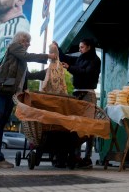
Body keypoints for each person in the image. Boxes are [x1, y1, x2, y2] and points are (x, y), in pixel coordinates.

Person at [0, 31, 56, 170]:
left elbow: (28, 75)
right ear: (20, 40)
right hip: (3, 89)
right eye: (27, 41)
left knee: (1, 122)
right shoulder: (14, 46)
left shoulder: (20, 59)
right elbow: (27, 56)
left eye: (29, 41)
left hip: (11, 93)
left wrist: (48, 71)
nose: (28, 44)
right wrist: (48, 56)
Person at [53, 38, 101, 169]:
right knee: (75, 125)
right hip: (76, 94)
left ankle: (87, 157)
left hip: (88, 95)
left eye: (82, 47)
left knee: (88, 126)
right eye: (79, 47)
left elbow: (86, 73)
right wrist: (58, 49)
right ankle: (76, 155)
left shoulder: (95, 61)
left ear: (89, 47)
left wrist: (69, 68)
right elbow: (66, 58)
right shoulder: (80, 58)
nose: (80, 49)